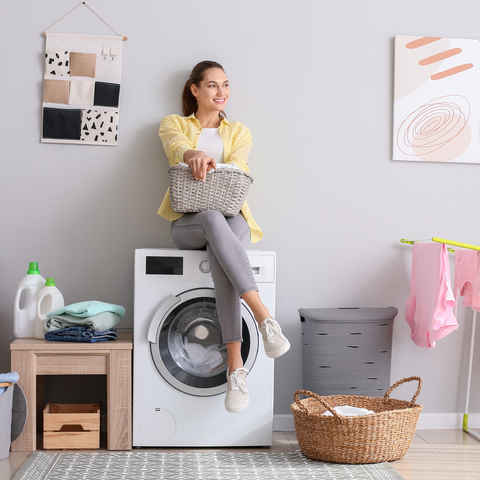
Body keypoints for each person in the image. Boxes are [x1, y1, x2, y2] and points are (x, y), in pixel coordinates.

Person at [158, 60, 290, 413]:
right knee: (212, 219)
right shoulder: (175, 124)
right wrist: (193, 153)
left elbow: (241, 170)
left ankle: (236, 370)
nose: (222, 92)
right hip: (189, 222)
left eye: (226, 85)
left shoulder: (240, 131)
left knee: (224, 257)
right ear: (195, 90)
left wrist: (219, 167)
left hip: (235, 221)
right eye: (213, 85)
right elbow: (175, 147)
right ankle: (263, 316)